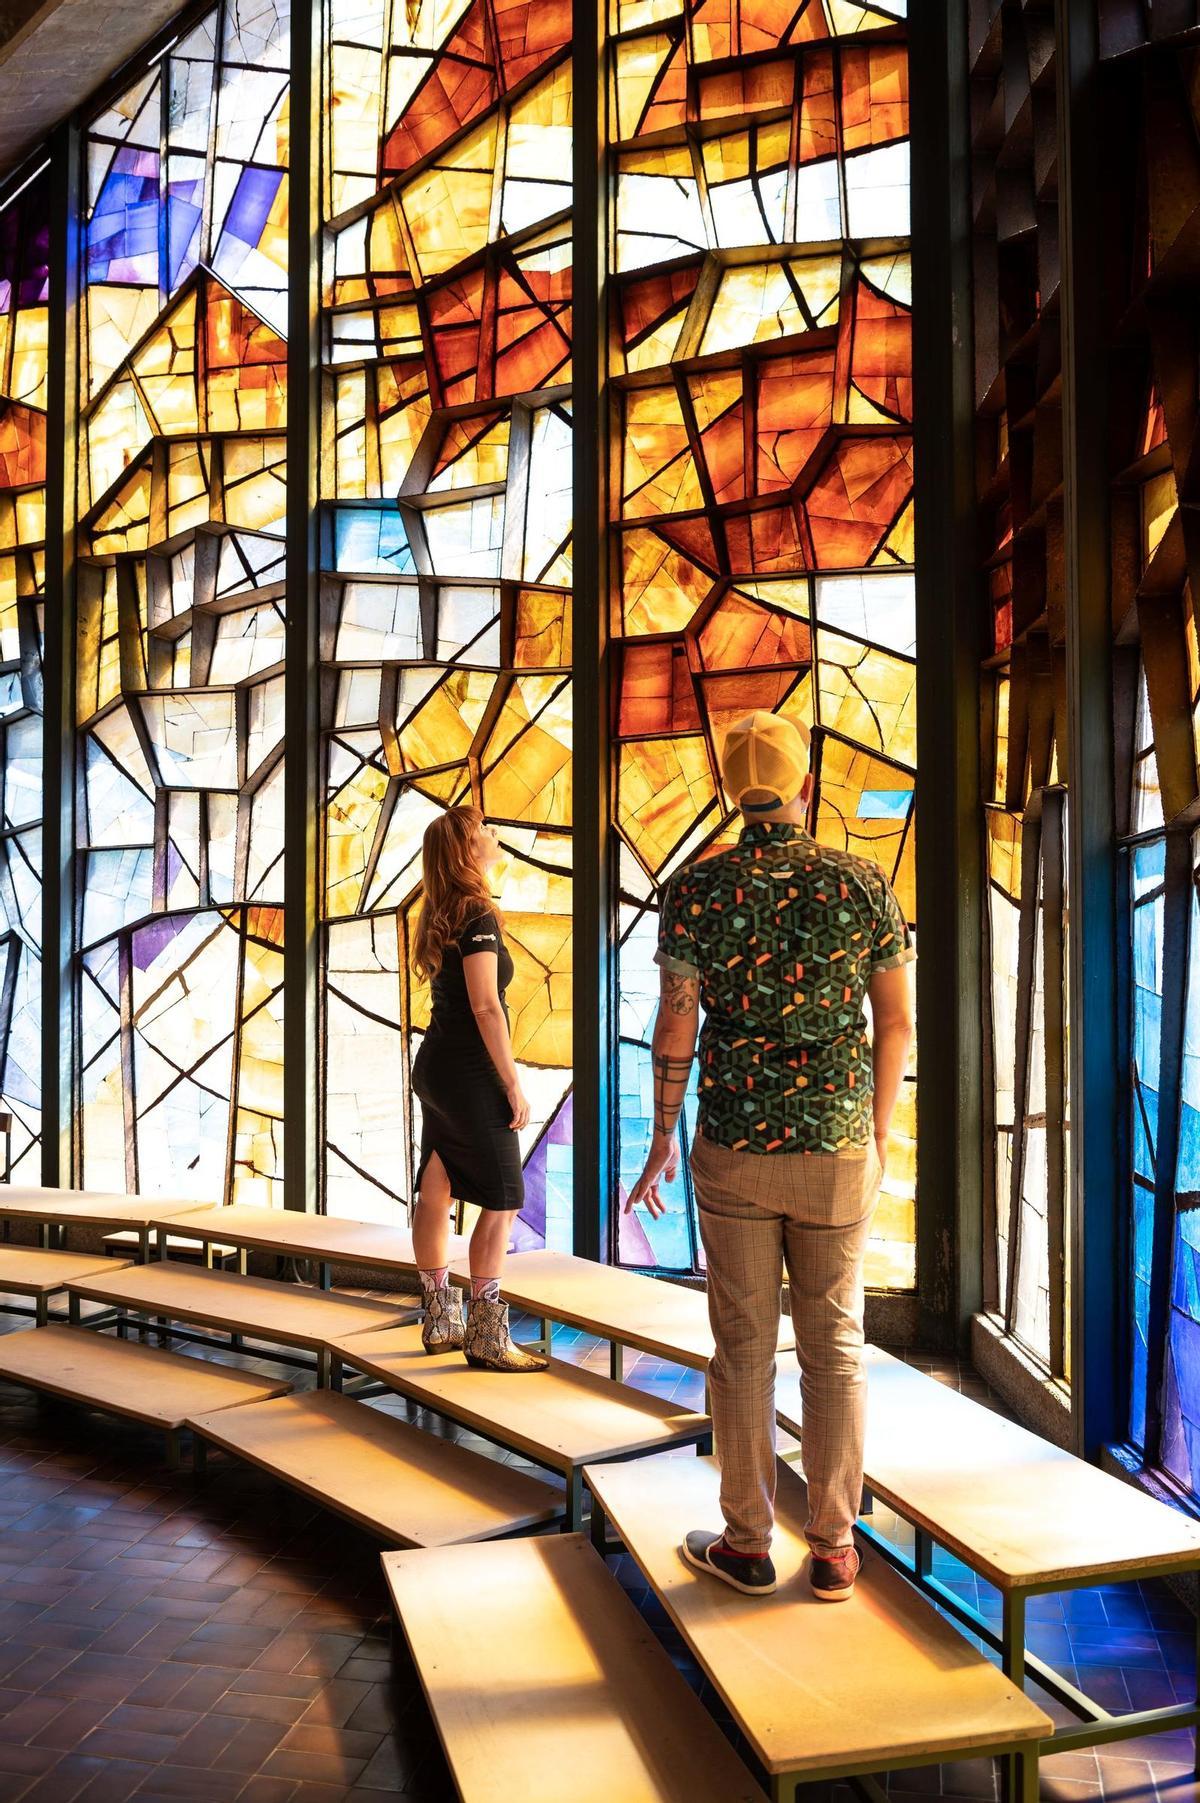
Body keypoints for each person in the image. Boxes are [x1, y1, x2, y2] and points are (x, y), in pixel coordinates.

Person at [627, 711, 915, 1601]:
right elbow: (896, 1023)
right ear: (804, 787)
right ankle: (833, 1546)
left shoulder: (696, 891)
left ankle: (748, 1542)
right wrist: (874, 1132)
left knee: (743, 1346)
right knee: (835, 1344)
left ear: (730, 790)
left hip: (734, 1148)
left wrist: (661, 1134)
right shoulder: (862, 885)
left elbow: (677, 1025)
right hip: (836, 1147)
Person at [409, 805, 547, 1373]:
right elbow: (486, 1006)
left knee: (436, 1188)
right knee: (503, 1199)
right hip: (470, 1074)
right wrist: (513, 1084)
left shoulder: (438, 910)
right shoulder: (477, 912)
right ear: (467, 850)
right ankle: (487, 1335)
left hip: (436, 1066)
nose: (494, 834)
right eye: (483, 830)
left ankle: (440, 1319)